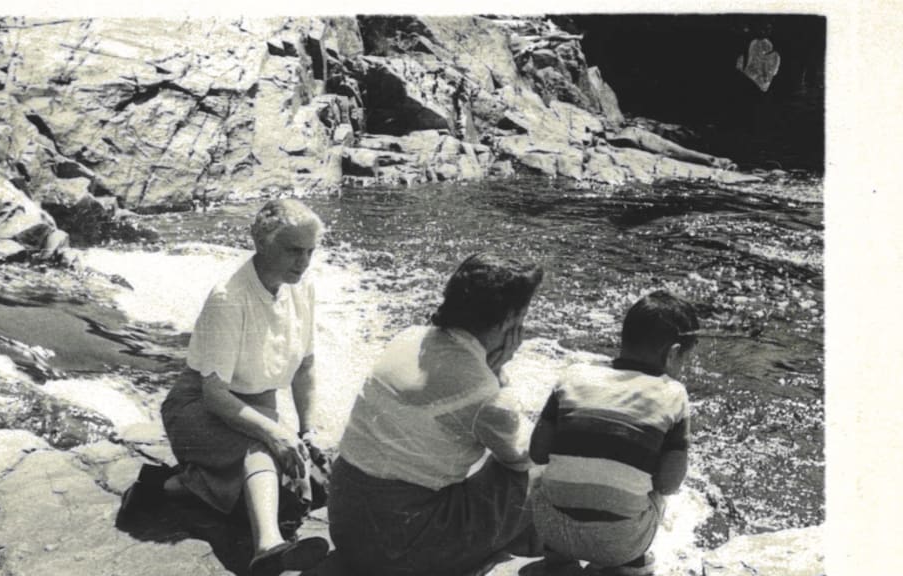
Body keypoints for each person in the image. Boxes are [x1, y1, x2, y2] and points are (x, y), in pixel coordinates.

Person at [139, 199, 329, 576]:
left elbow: (305, 367)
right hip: (199, 409)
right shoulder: (229, 297)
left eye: (310, 251)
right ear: (260, 243)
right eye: (293, 250)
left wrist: (308, 431)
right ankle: (268, 547)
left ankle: (182, 486)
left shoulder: (302, 289)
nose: (303, 261)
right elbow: (214, 395)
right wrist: (276, 433)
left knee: (310, 483)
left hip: (257, 407)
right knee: (263, 449)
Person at [327, 252, 545, 576]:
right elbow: (526, 457)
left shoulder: (408, 336)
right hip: (395, 546)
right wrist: (500, 374)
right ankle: (540, 554)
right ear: (508, 321)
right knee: (538, 472)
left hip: (344, 520)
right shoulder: (483, 390)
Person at [528, 290, 699, 576]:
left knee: (542, 475)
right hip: (619, 544)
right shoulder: (673, 394)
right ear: (672, 354)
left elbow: (537, 452)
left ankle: (558, 561)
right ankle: (626, 567)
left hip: (551, 528)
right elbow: (669, 483)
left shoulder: (573, 375)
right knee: (657, 491)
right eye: (684, 359)